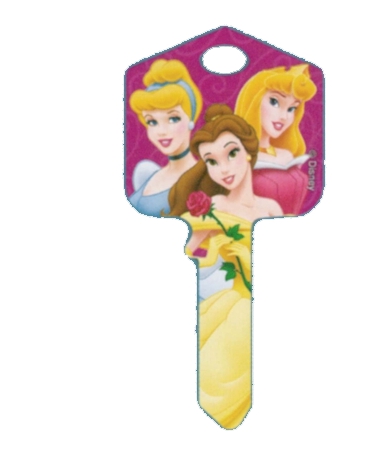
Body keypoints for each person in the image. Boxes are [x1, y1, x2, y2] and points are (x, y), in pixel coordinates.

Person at [168, 104, 282, 429]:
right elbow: (192, 250)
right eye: (212, 161)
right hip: (221, 302)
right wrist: (207, 252)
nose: (223, 169)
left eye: (231, 153)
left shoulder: (271, 209)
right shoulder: (214, 207)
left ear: (248, 151)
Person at [235, 64, 317, 214]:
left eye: (291, 109)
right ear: (254, 100)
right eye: (274, 102)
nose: (284, 116)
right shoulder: (235, 155)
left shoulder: (287, 155)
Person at [128, 59, 203, 216]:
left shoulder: (204, 180)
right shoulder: (151, 176)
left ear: (190, 118)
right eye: (152, 122)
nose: (161, 131)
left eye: (173, 119)